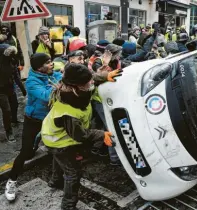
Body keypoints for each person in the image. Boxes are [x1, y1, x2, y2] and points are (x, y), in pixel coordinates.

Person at [41, 63, 115, 210]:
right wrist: (101, 134)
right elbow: (80, 136)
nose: (92, 83)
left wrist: (105, 76)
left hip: (53, 137)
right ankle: (68, 206)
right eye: (88, 83)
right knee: (73, 173)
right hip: (59, 142)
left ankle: (55, 181)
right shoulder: (69, 113)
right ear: (77, 86)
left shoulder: (70, 88)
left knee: (59, 160)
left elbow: (90, 78)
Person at [5, 53, 62, 201]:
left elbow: (65, 76)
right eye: (48, 62)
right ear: (39, 66)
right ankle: (11, 181)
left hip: (51, 119)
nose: (52, 64)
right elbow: (46, 96)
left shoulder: (53, 75)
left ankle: (58, 177)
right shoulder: (31, 82)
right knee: (25, 152)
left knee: (59, 148)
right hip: (34, 120)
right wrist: (62, 85)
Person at [0, 43, 18, 142]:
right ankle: (9, 131)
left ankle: (14, 120)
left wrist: (22, 89)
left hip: (10, 88)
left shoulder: (12, 61)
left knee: (15, 105)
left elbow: (16, 75)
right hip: (1, 90)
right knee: (6, 110)